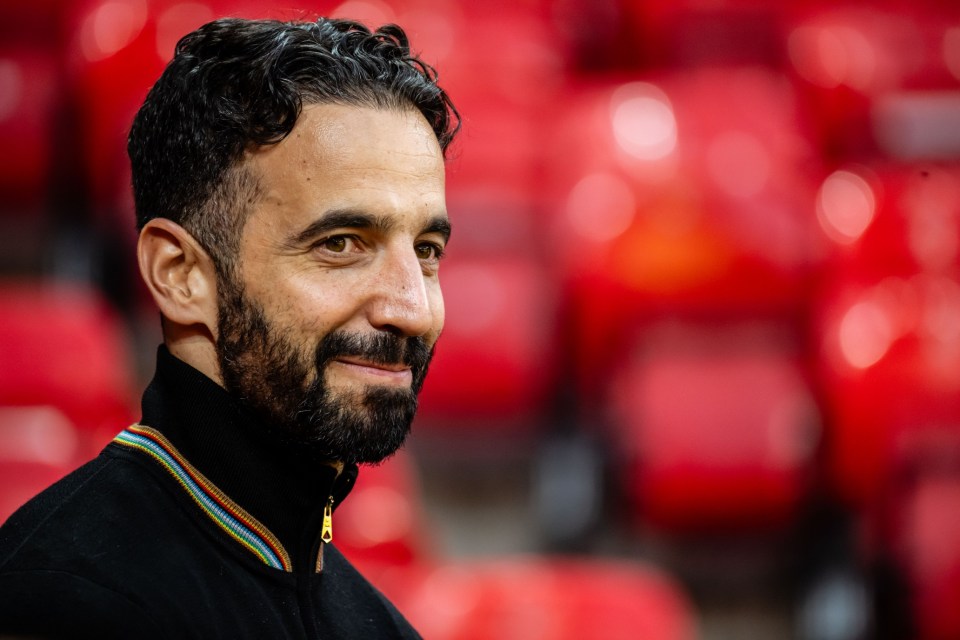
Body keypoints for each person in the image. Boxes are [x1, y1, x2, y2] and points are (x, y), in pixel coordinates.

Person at [0, 15, 458, 639]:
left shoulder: (379, 626)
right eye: (343, 243)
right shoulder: (65, 602)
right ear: (179, 273)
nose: (412, 308)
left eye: (427, 250)